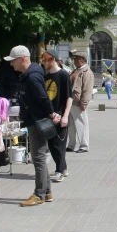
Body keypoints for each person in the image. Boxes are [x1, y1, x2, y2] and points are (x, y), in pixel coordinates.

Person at [8, 45, 61, 206]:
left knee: (38, 159)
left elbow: (43, 97)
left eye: (13, 61)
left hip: (37, 122)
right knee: (40, 159)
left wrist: (51, 114)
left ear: (23, 59)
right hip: (35, 120)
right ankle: (47, 191)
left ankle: (39, 194)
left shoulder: (31, 76)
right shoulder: (31, 74)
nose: (11, 64)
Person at [43, 51, 71, 183]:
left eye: (46, 60)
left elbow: (69, 97)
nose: (44, 63)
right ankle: (63, 167)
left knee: (59, 144)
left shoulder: (63, 75)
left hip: (60, 115)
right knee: (52, 144)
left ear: (52, 59)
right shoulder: (46, 76)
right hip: (49, 115)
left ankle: (59, 170)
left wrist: (65, 115)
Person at [68, 50, 94, 152]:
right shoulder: (76, 70)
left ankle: (84, 146)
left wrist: (84, 103)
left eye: (75, 59)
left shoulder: (87, 72)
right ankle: (71, 144)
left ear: (80, 60)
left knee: (81, 124)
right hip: (71, 101)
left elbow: (87, 89)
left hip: (78, 103)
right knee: (71, 125)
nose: (73, 61)